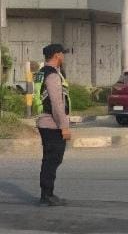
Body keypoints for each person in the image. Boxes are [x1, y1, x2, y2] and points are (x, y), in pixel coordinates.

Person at [34, 44, 71, 206]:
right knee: (53, 159)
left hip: (44, 121)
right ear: (57, 55)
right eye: (62, 54)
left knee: (49, 159)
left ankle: (47, 194)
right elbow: (57, 104)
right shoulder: (53, 75)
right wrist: (64, 127)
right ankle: (47, 195)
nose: (64, 56)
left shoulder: (41, 72)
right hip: (52, 123)